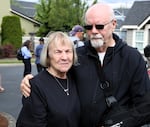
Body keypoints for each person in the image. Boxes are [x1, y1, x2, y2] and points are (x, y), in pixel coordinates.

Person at [20, 3, 150, 127]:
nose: (93, 31)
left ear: (113, 24)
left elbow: (145, 105)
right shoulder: (77, 56)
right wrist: (31, 81)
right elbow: (55, 77)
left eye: (99, 26)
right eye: (88, 27)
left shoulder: (132, 58)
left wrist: (121, 124)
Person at [16, 32, 80, 127]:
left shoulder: (76, 78)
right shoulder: (36, 86)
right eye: (58, 52)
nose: (64, 57)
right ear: (48, 55)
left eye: (68, 51)